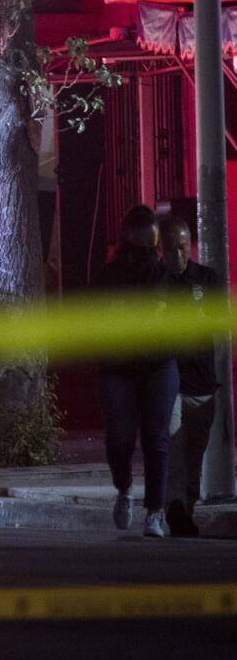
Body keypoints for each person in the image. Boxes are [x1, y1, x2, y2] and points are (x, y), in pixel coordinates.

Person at [92, 205, 178, 536]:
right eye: (140, 232)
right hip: (118, 366)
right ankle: (125, 489)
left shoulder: (163, 275)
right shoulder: (108, 278)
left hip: (159, 363)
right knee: (119, 439)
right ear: (128, 235)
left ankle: (155, 512)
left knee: (156, 439)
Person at [158, 213, 219, 537]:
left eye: (182, 248)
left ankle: (187, 508)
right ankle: (176, 508)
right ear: (161, 251)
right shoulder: (157, 284)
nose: (178, 256)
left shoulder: (206, 279)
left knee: (195, 453)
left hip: (203, 382)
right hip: (171, 382)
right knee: (177, 448)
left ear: (190, 246)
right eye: (171, 250)